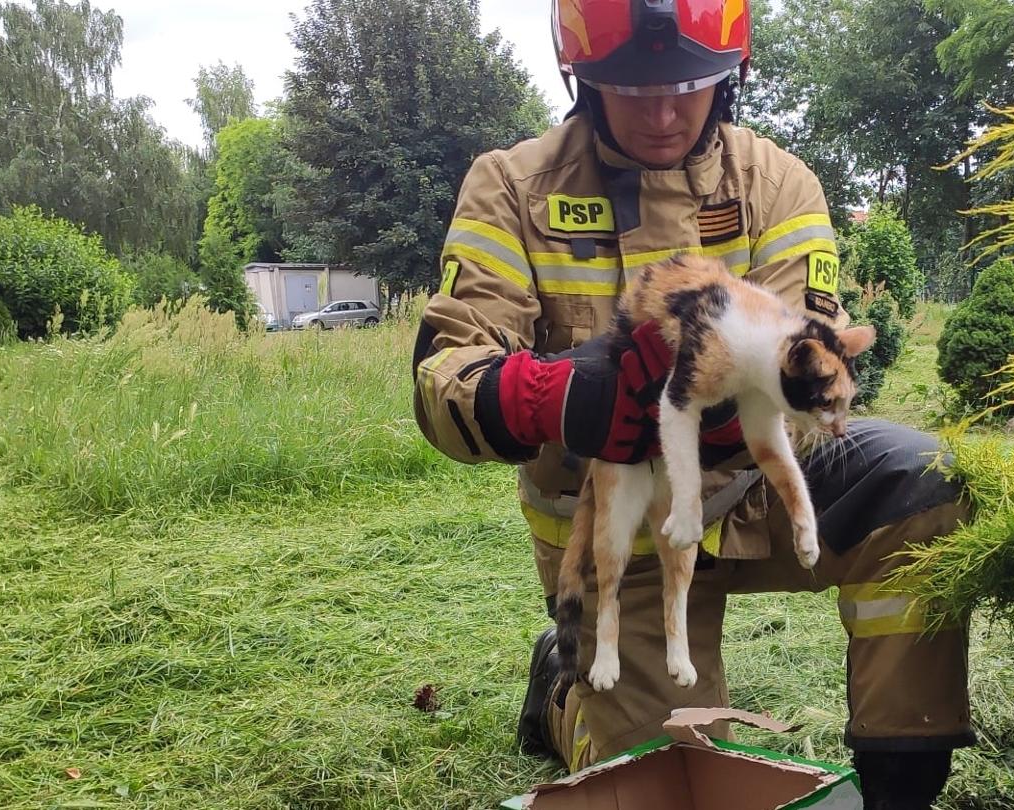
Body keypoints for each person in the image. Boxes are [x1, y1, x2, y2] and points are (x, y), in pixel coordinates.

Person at [410, 2, 972, 806]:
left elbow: (802, 365)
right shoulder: (510, 187)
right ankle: (566, 699)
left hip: (753, 492)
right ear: (582, 79)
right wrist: (553, 396)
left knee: (922, 483)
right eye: (632, 88)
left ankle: (900, 786)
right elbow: (445, 376)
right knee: (674, 780)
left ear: (730, 75)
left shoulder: (779, 184)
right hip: (618, 530)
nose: (664, 112)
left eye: (689, 85)